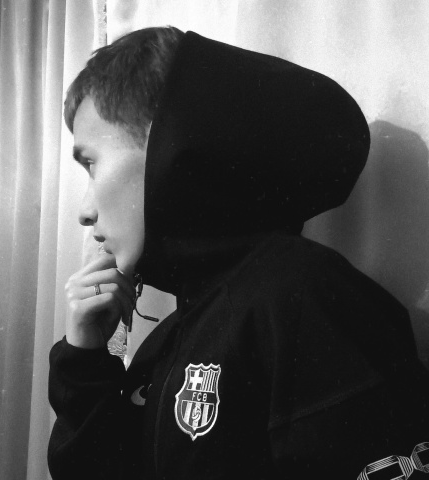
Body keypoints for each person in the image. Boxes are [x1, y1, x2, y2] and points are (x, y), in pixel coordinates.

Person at [47, 27, 429, 480]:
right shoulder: (174, 332)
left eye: (91, 163)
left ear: (166, 143)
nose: (84, 212)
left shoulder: (305, 297)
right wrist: (84, 362)